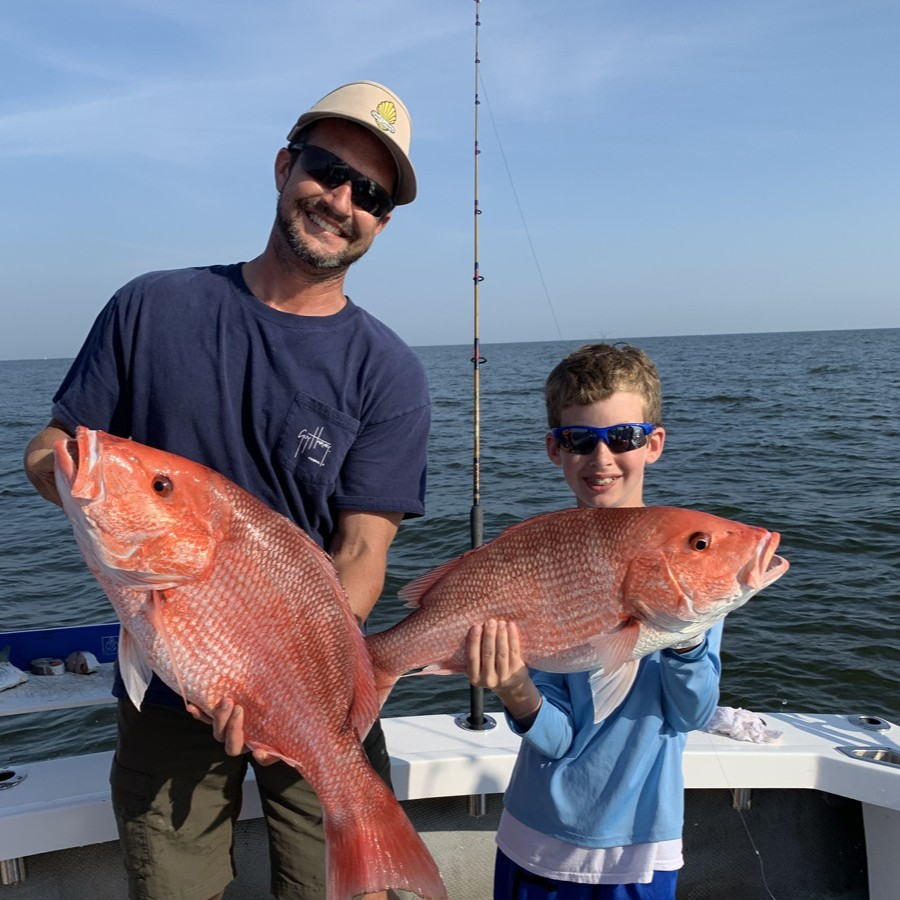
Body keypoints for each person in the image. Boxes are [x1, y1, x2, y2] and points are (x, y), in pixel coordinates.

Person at [23, 81, 431, 900]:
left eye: (370, 193)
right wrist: (78, 485)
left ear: (381, 223)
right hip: (166, 701)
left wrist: (273, 676)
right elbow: (56, 446)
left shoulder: (390, 373)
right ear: (285, 167)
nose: (340, 200)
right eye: (326, 168)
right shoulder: (152, 306)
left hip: (310, 685)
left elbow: (360, 556)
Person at [466, 343, 722, 900]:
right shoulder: (545, 559)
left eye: (623, 436)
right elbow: (558, 741)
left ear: (653, 443)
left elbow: (691, 713)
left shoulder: (685, 562)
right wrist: (514, 688)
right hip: (535, 840)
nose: (602, 458)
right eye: (580, 440)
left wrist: (686, 641)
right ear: (556, 450)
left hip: (642, 849)